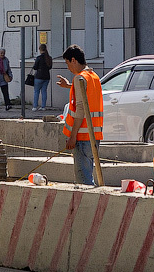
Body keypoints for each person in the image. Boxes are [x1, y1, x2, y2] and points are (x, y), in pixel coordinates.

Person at [56, 44, 103, 185]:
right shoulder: (93, 77)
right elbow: (86, 92)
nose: (68, 67)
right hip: (95, 135)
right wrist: (69, 86)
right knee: (89, 174)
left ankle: (88, 206)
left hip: (82, 136)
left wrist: (72, 136)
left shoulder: (79, 79)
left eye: (67, 63)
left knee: (84, 180)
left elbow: (80, 110)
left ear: (74, 60)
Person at [31, 44, 52, 110]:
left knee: (36, 91)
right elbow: (50, 67)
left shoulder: (39, 58)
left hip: (39, 77)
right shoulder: (49, 58)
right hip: (46, 77)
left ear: (40, 49)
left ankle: (35, 106)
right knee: (44, 91)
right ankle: (43, 106)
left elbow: (35, 67)